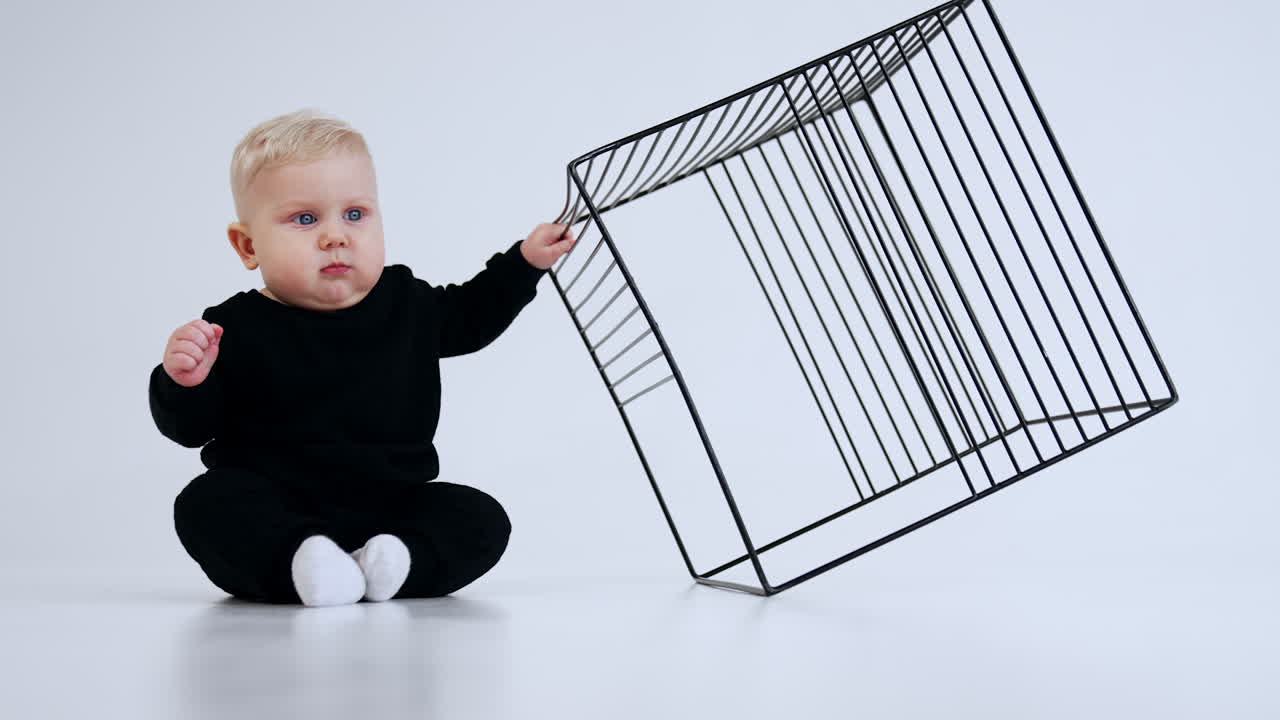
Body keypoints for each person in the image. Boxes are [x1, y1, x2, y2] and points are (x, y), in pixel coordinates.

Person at [149, 108, 575, 606]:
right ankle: (301, 562)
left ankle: (395, 562)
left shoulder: (406, 303)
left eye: (355, 214)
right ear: (248, 246)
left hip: (391, 506)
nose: (335, 236)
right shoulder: (232, 327)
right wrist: (183, 382)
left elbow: (471, 317)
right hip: (275, 504)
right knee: (207, 504)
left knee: (480, 517)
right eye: (304, 219)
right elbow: (190, 429)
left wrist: (522, 265)